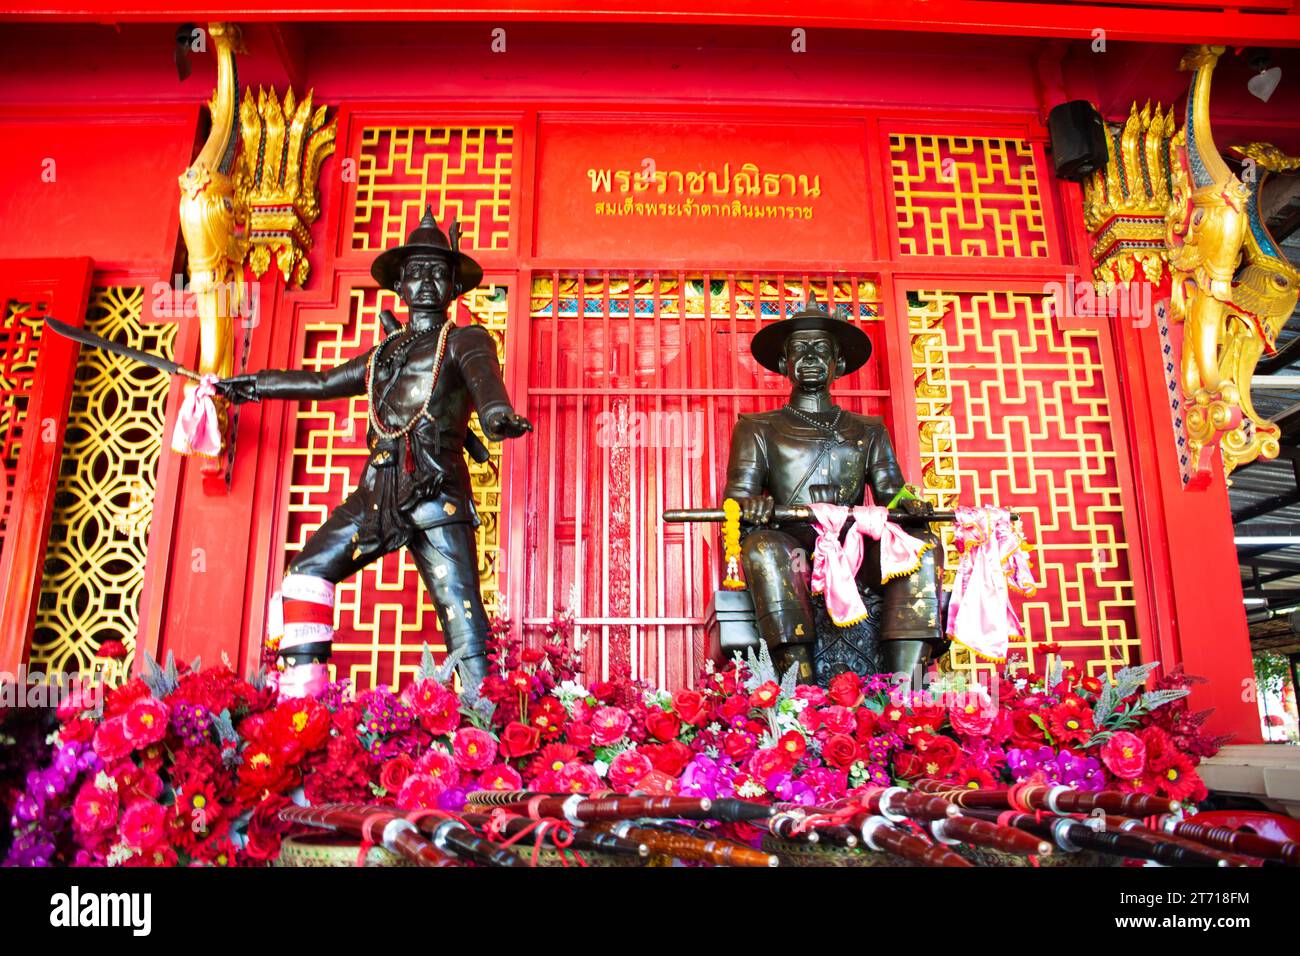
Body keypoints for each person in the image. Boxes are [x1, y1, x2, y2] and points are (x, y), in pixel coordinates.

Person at [218, 207, 531, 697]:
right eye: (416, 273)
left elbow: (484, 380)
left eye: (437, 273)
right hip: (376, 489)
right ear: (400, 287)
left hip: (436, 491)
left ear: (453, 288)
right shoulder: (383, 353)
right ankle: (301, 706)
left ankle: (487, 738)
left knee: (465, 625)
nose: (426, 283)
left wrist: (496, 416)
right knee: (305, 572)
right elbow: (322, 383)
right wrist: (255, 385)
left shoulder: (465, 338)